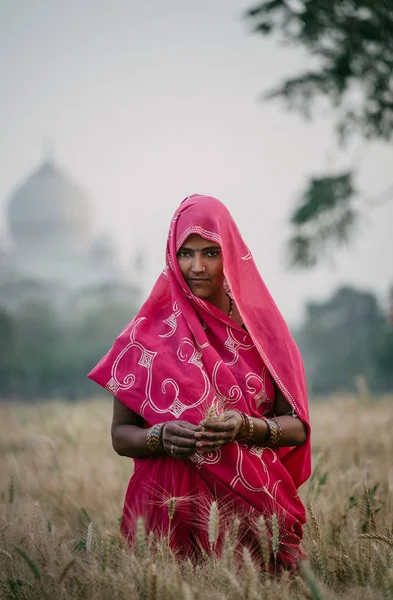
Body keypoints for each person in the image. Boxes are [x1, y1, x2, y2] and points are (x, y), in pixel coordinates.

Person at [88, 194, 311, 570]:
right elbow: (120, 435)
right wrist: (159, 437)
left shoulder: (262, 330)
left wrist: (246, 427)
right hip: (162, 512)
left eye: (210, 252)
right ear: (171, 257)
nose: (197, 266)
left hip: (251, 516)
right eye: (185, 253)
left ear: (231, 253)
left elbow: (297, 429)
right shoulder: (145, 335)